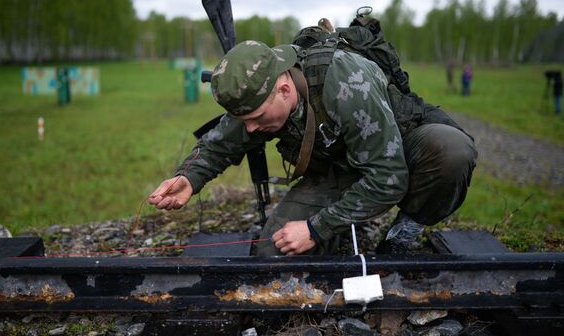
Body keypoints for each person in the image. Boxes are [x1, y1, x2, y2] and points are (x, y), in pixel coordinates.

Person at [149, 40, 477, 256]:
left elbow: (388, 178)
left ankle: (404, 232)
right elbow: (219, 144)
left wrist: (315, 228)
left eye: (256, 118)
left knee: (452, 151)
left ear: (285, 88)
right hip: (335, 172)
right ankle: (342, 228)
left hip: (393, 156)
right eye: (243, 119)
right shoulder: (256, 94)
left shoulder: (347, 82)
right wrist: (189, 179)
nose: (250, 128)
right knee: (272, 254)